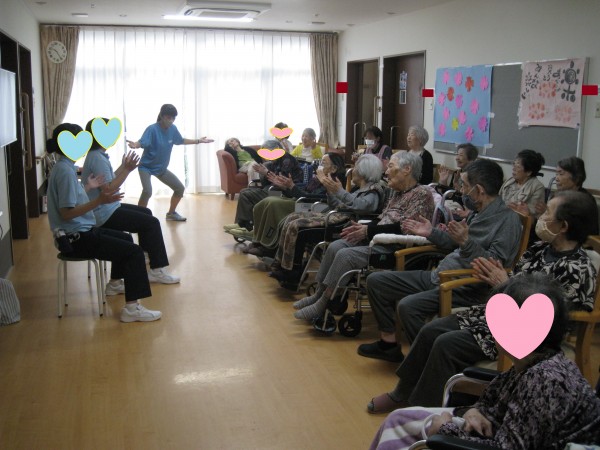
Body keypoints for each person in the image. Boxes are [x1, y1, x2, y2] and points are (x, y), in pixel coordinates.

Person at [366, 190, 597, 413]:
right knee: (429, 331)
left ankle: (424, 409)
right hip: (492, 316)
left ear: (563, 226)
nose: (542, 217)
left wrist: (504, 284)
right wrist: (500, 279)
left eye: (548, 213)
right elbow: (517, 281)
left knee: (445, 344)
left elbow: (549, 320)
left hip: (521, 333)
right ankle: (402, 393)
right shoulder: (539, 249)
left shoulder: (577, 268)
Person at [369, 273, 600, 450]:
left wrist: (444, 428)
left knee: (402, 428)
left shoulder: (547, 381)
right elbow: (493, 397)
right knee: (398, 419)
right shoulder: (530, 363)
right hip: (500, 430)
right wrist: (474, 411)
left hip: (504, 442)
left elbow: (509, 447)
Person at [359, 159, 521, 363]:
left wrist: (466, 242)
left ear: (479, 190)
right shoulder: (478, 212)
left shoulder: (508, 220)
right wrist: (431, 232)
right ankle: (389, 344)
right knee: (377, 282)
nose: (461, 191)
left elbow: (494, 265)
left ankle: (425, 362)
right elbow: (455, 244)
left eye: (465, 186)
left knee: (408, 307)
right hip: (440, 276)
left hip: (464, 287)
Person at [293, 151, 435, 321]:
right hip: (378, 240)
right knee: (335, 246)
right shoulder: (396, 193)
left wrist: (368, 231)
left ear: (407, 169)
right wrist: (364, 228)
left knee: (346, 255)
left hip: (395, 248)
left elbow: (405, 228)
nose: (386, 172)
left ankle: (324, 302)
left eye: (390, 166)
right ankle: (319, 293)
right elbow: (382, 219)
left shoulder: (422, 194)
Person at [47, 123, 161, 323]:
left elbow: (71, 198)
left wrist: (88, 187)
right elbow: (66, 213)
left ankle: (115, 283)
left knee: (126, 239)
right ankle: (132, 309)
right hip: (76, 239)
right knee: (134, 252)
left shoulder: (65, 167)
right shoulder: (65, 172)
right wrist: (99, 200)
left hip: (80, 232)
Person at [81, 118, 180, 291]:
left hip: (106, 208)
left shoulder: (97, 155)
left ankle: (146, 257)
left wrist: (124, 166)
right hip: (103, 213)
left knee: (147, 214)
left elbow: (109, 180)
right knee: (152, 223)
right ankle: (156, 269)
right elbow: (108, 189)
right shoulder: (97, 158)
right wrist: (127, 170)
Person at [270, 154, 385, 288]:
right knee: (292, 217)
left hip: (345, 224)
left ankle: (293, 272)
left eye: (355, 167)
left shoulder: (373, 192)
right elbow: (336, 204)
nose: (352, 170)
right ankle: (281, 264)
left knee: (297, 226)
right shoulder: (359, 189)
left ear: (363, 171)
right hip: (337, 217)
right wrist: (330, 191)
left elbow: (361, 206)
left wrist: (339, 191)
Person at [238, 153, 347, 253]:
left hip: (312, 205)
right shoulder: (318, 178)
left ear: (334, 168)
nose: (319, 166)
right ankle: (257, 240)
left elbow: (312, 197)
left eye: (323, 163)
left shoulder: (332, 181)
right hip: (301, 200)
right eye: (320, 163)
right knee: (263, 203)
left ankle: (268, 246)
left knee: (272, 203)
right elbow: (304, 190)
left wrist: (292, 186)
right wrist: (285, 187)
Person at [126, 103, 214, 222]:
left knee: (179, 188)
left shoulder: (173, 129)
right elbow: (142, 142)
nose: (171, 120)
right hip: (145, 167)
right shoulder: (152, 129)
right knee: (147, 191)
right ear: (162, 116)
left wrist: (198, 141)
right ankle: (139, 217)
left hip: (161, 168)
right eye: (168, 117)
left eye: (173, 118)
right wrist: (135, 145)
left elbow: (180, 140)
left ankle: (171, 213)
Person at [224, 140, 305, 232]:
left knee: (246, 194)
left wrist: (266, 172)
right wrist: (263, 173)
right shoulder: (275, 160)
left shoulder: (287, 160)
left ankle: (245, 226)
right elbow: (267, 182)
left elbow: (282, 181)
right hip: (273, 189)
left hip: (285, 193)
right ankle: (242, 224)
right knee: (244, 191)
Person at [499, 149, 546, 217]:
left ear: (528, 172)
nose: (513, 169)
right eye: (514, 164)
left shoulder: (537, 187)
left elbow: (533, 215)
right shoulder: (510, 181)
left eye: (518, 167)